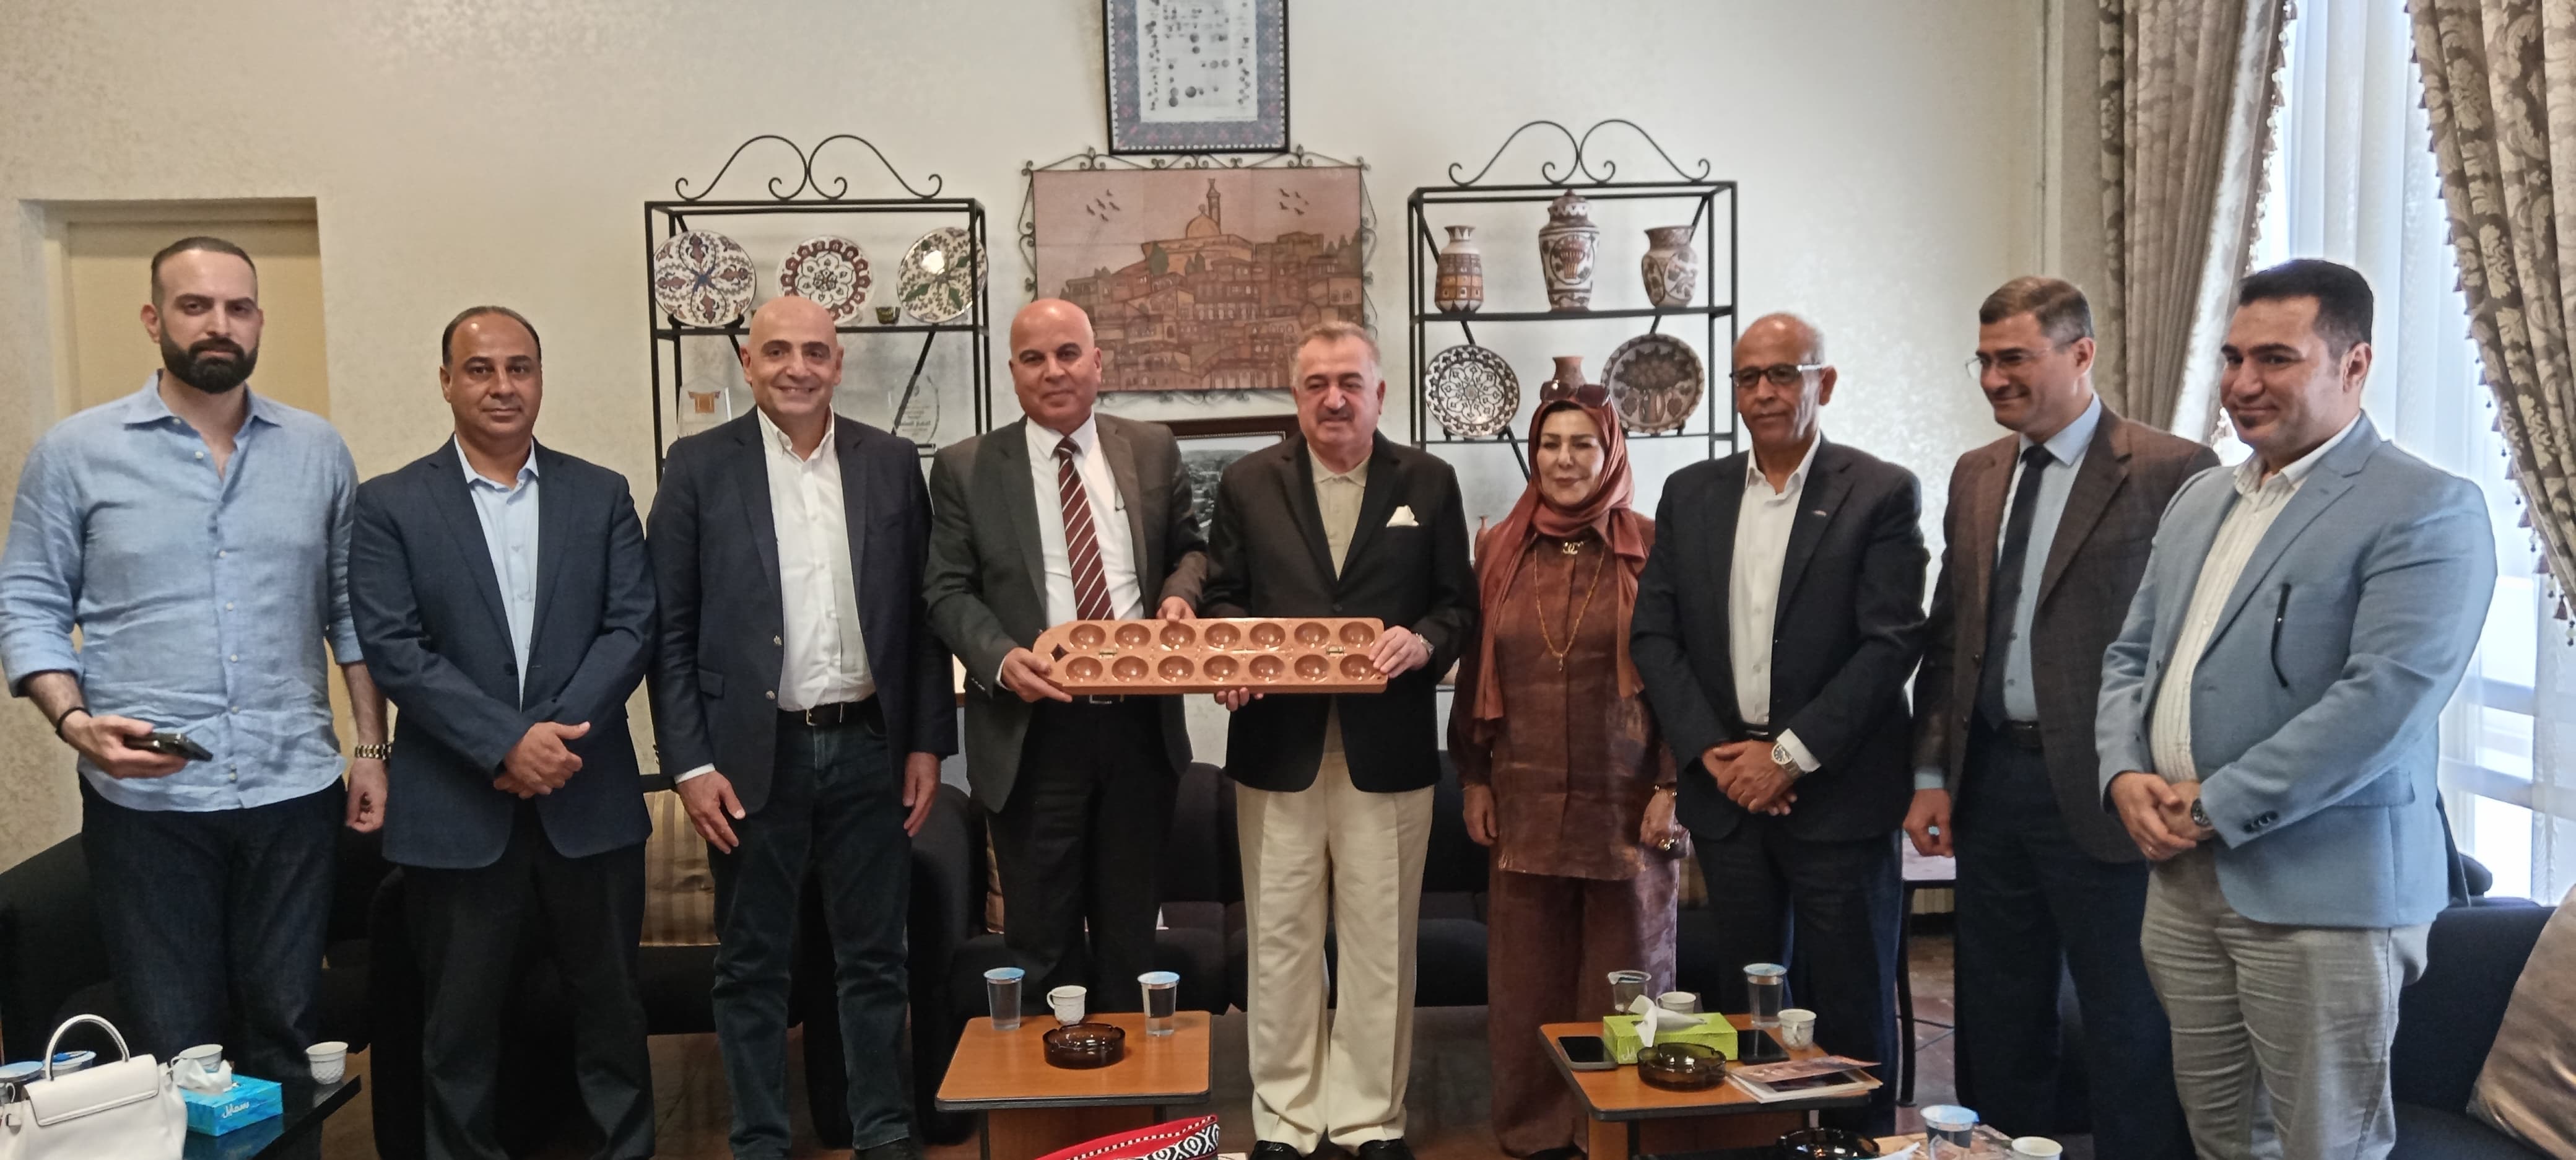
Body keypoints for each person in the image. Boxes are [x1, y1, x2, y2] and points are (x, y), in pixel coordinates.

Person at [2097, 259, 2493, 1160]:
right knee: (2222, 1140)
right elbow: (2131, 656)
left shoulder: (2427, 507)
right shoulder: (2202, 497)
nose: (2242, 383)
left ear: (2354, 365)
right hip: (2183, 885)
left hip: (2327, 895)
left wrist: (2212, 804)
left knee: (2326, 1146)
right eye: (2233, 357)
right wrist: (2122, 773)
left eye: (2274, 358)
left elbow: (2382, 702)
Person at [0, 236, 387, 1082]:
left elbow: (351, 613)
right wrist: (74, 722)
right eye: (195, 305)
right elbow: (27, 604)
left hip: (292, 792)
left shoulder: (317, 450)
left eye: (238, 307)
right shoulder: (75, 453)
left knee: (286, 1033)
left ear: (259, 321)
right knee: (176, 1044)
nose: (219, 324)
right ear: (154, 319)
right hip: (148, 805)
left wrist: (370, 749)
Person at [1905, 278, 2213, 1156]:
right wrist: (1930, 774)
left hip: (2114, 790)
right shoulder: (1977, 473)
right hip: (1991, 783)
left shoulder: (2172, 471)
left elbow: (2193, 642)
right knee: (1997, 1014)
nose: (1993, 379)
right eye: (1983, 360)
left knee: (2126, 1019)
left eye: (2014, 358)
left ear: (2080, 354)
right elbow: (1951, 635)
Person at [647, 295, 956, 1160]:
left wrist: (926, 741)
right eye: (778, 351)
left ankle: (883, 1132)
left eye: (815, 352)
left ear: (839, 364)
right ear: (747, 363)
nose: (798, 367)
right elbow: (668, 629)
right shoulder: (698, 466)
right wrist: (688, 764)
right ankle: (759, 1139)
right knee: (751, 964)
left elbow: (922, 616)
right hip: (752, 757)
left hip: (870, 747)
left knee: (875, 958)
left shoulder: (889, 461)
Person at [348, 306, 657, 1160]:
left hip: (588, 800)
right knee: (457, 1030)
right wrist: (505, 743)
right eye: (480, 369)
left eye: (519, 367)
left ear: (540, 379)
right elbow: (394, 648)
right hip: (455, 807)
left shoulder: (601, 493)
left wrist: (552, 742)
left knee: (612, 1016)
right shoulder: (390, 504)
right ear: (446, 381)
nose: (502, 386)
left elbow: (632, 627)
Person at [1630, 312, 1923, 1134]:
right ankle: (1762, 1141)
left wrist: (1787, 757)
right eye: (1748, 376)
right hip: (1728, 794)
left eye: (1783, 373)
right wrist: (1713, 755)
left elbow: (1890, 643)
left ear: (1822, 381)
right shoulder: (1690, 493)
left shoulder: (1880, 492)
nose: (1763, 391)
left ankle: (1856, 1145)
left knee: (1849, 999)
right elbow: (1653, 635)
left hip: (1838, 793)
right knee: (1749, 1002)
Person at [1204, 320, 1476, 1160]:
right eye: (1317, 383)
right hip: (1274, 748)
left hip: (1386, 751)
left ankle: (1368, 1119)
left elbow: (1457, 605)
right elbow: (1222, 597)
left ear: (1379, 393)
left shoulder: (1427, 481)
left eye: (1350, 382)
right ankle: (1285, 1119)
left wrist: (1424, 643)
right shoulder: (1248, 482)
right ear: (1295, 396)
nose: (1334, 398)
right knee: (1279, 939)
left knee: (1379, 940)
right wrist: (1231, 653)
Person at [924, 299, 1206, 1008]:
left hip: (1140, 730)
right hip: (1032, 734)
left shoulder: (1151, 448)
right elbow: (946, 590)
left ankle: (1131, 1081)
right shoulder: (965, 467)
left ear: (1097, 362)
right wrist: (998, 658)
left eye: (1067, 353)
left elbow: (1191, 550)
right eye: (1033, 358)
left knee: (1130, 940)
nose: (1052, 371)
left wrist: (1180, 596)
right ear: (1013, 371)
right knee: (1041, 942)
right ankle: (1060, 1081)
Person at [1448, 390, 1683, 1160]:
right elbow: (1474, 670)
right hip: (1523, 795)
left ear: (1610, 452)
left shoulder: (1653, 545)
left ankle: (1613, 1126)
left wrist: (1671, 785)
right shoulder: (1500, 548)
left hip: (1629, 800)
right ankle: (1536, 1129)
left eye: (1582, 443)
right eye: (1550, 444)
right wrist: (1473, 777)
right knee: (1527, 978)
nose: (1563, 459)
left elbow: (1687, 675)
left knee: (1626, 975)